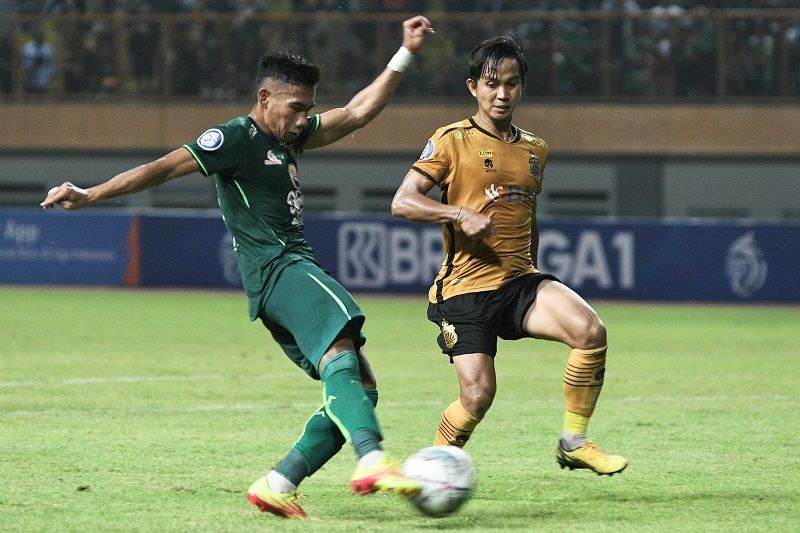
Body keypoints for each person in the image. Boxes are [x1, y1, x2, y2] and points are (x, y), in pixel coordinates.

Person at [40, 15, 433, 519]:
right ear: (265, 98)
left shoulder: (287, 136)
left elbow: (357, 112)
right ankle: (372, 459)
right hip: (279, 267)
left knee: (362, 385)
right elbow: (161, 168)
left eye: (307, 110)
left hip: (281, 275)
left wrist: (405, 53)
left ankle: (278, 482)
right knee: (342, 340)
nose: (302, 119)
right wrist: (91, 193)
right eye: (295, 109)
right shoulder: (233, 139)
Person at [391, 33, 628, 476]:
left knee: (590, 331)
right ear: (473, 88)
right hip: (465, 291)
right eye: (492, 84)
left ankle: (574, 441)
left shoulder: (535, 149)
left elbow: (527, 214)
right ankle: (431, 469)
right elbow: (402, 201)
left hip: (520, 282)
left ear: (522, 87)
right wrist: (458, 213)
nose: (502, 94)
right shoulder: (450, 140)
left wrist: (533, 270)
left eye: (512, 84)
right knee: (478, 396)